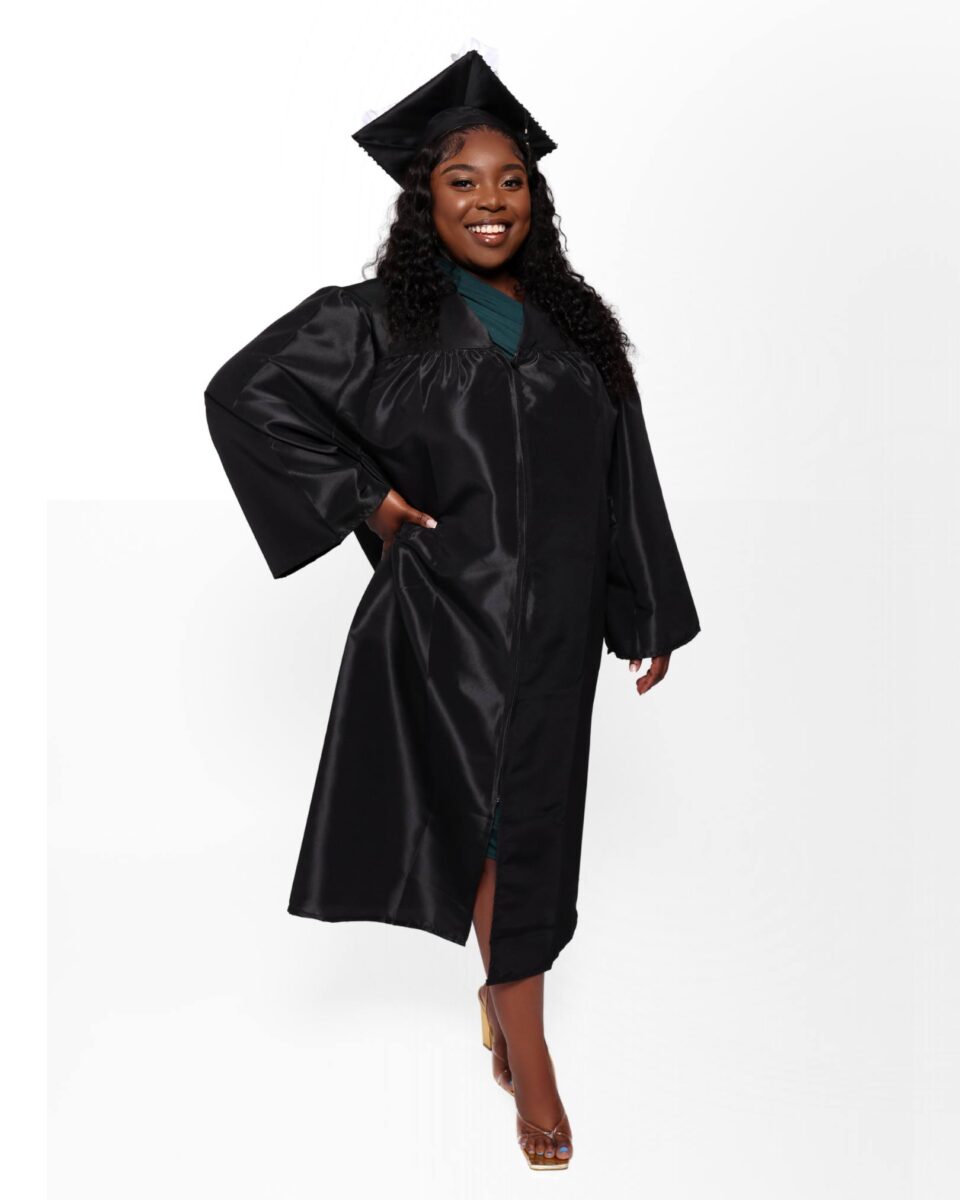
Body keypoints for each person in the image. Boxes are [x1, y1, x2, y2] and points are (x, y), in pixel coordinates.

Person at [203, 48, 700, 1171]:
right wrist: (360, 500)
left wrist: (649, 604)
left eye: (511, 179)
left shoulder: (578, 333)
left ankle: (504, 1010)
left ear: (538, 195)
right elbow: (245, 393)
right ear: (423, 198)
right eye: (463, 181)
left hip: (559, 626)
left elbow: (629, 473)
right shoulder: (379, 321)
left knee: (530, 821)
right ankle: (527, 1042)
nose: (491, 201)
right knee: (492, 826)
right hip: (442, 618)